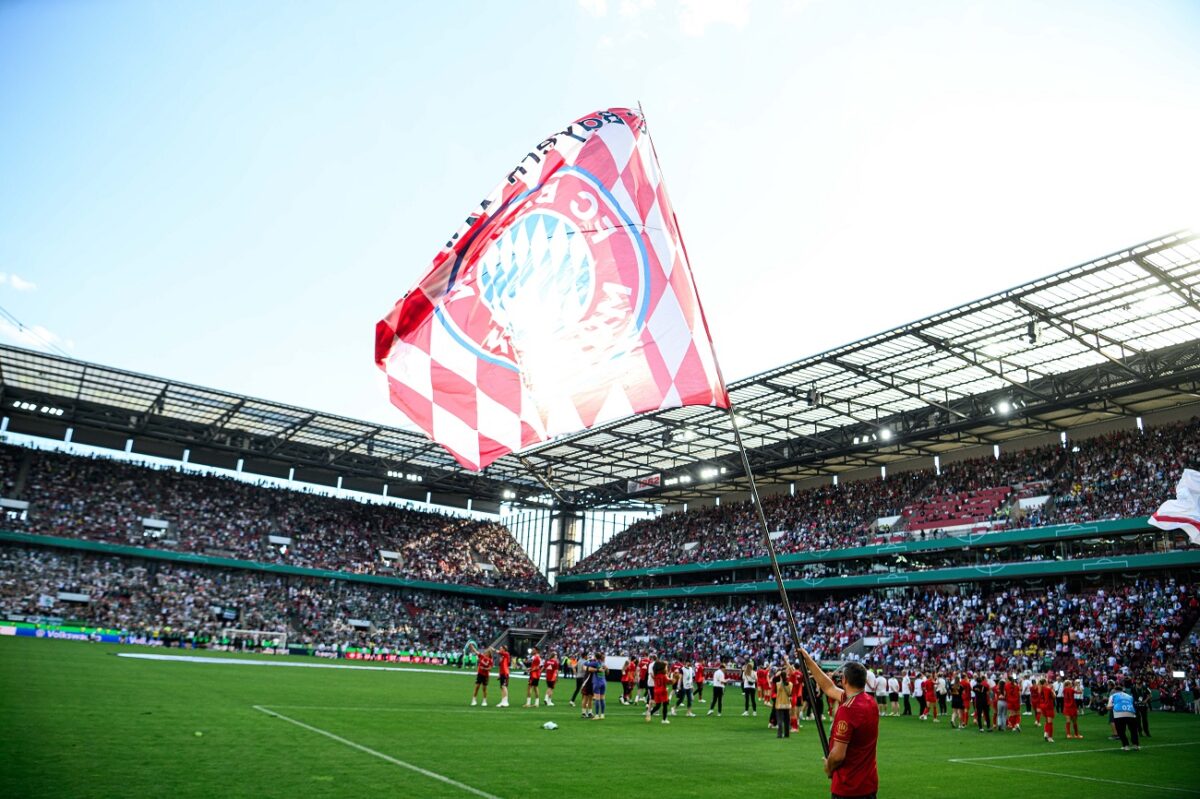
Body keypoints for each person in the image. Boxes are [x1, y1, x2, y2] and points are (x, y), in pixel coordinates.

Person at [799, 648, 879, 799]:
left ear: (844, 680)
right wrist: (809, 661)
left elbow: (838, 755)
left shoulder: (847, 709)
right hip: (868, 784)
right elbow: (829, 687)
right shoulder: (870, 702)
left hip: (848, 786)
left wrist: (829, 767)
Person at [1107, 682, 1140, 751]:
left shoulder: (1113, 696)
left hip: (1119, 714)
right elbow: (1133, 704)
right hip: (1131, 714)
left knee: (1121, 731)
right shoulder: (1129, 696)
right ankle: (1136, 745)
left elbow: (1109, 707)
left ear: (1115, 690)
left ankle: (1126, 746)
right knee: (1133, 731)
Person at [645, 659, 671, 724]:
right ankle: (664, 719)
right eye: (665, 667)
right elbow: (668, 682)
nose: (666, 668)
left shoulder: (656, 675)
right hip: (663, 691)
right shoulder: (663, 675)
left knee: (658, 705)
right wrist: (674, 679)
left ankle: (650, 713)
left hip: (656, 691)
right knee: (665, 705)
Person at [773, 666, 793, 738]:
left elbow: (773, 680)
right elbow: (790, 693)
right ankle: (787, 734)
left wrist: (777, 674)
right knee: (787, 720)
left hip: (779, 704)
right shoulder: (790, 684)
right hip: (787, 704)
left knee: (780, 720)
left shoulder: (778, 684)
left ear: (781, 677)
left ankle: (780, 734)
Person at [591, 652, 607, 719]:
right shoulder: (603, 663)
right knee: (602, 699)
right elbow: (607, 671)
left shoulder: (595, 663)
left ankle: (597, 715)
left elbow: (587, 666)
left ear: (595, 657)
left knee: (597, 699)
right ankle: (602, 714)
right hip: (603, 682)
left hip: (597, 682)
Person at [1039, 677, 1056, 743]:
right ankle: (1050, 737)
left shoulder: (1040, 689)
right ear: (1045, 683)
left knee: (1046, 721)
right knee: (1050, 722)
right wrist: (1053, 690)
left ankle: (1046, 733)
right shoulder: (1048, 689)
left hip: (1043, 706)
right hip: (1049, 706)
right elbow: (1054, 696)